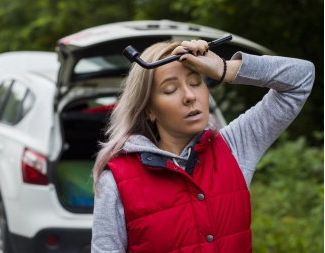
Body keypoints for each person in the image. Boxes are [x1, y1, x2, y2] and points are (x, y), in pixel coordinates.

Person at [91, 39, 315, 253]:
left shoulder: (234, 147)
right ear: (149, 110)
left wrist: (224, 68)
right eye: (170, 90)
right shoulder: (115, 181)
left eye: (196, 82)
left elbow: (301, 77)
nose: (189, 96)